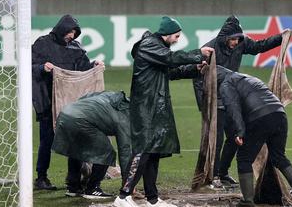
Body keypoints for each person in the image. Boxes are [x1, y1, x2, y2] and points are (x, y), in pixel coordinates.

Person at [113, 16, 213, 207]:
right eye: (176, 36)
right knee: (142, 151)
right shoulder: (150, 45)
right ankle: (123, 196)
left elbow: (171, 72)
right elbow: (171, 59)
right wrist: (198, 54)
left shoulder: (158, 49)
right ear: (167, 34)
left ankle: (152, 199)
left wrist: (195, 68)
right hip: (145, 108)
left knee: (154, 151)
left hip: (155, 108)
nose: (177, 40)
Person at [193, 15, 284, 187]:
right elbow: (197, 77)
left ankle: (223, 173)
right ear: (225, 37)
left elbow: (259, 46)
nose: (236, 42)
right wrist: (203, 104)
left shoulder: (242, 42)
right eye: (233, 39)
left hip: (231, 96)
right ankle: (212, 177)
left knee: (237, 135)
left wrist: (280, 38)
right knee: (216, 139)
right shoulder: (210, 49)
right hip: (214, 99)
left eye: (238, 39)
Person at [216, 66, 292, 207]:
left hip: (260, 117)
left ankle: (247, 201)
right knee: (279, 156)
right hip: (279, 113)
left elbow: (233, 108)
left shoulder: (226, 84)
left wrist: (240, 132)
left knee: (244, 158)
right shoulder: (248, 77)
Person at [32, 14, 104, 190]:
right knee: (47, 140)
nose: (71, 36)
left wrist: (94, 65)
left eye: (74, 33)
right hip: (48, 100)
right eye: (70, 32)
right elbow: (29, 66)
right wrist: (42, 67)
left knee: (75, 139)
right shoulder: (42, 44)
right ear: (61, 29)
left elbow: (83, 69)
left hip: (70, 102)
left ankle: (73, 179)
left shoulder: (76, 48)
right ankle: (41, 178)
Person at [52, 91, 131, 199]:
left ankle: (73, 187)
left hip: (66, 113)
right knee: (107, 152)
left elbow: (85, 97)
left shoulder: (110, 95)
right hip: (81, 120)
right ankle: (92, 188)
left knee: (76, 149)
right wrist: (127, 182)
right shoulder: (125, 117)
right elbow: (125, 150)